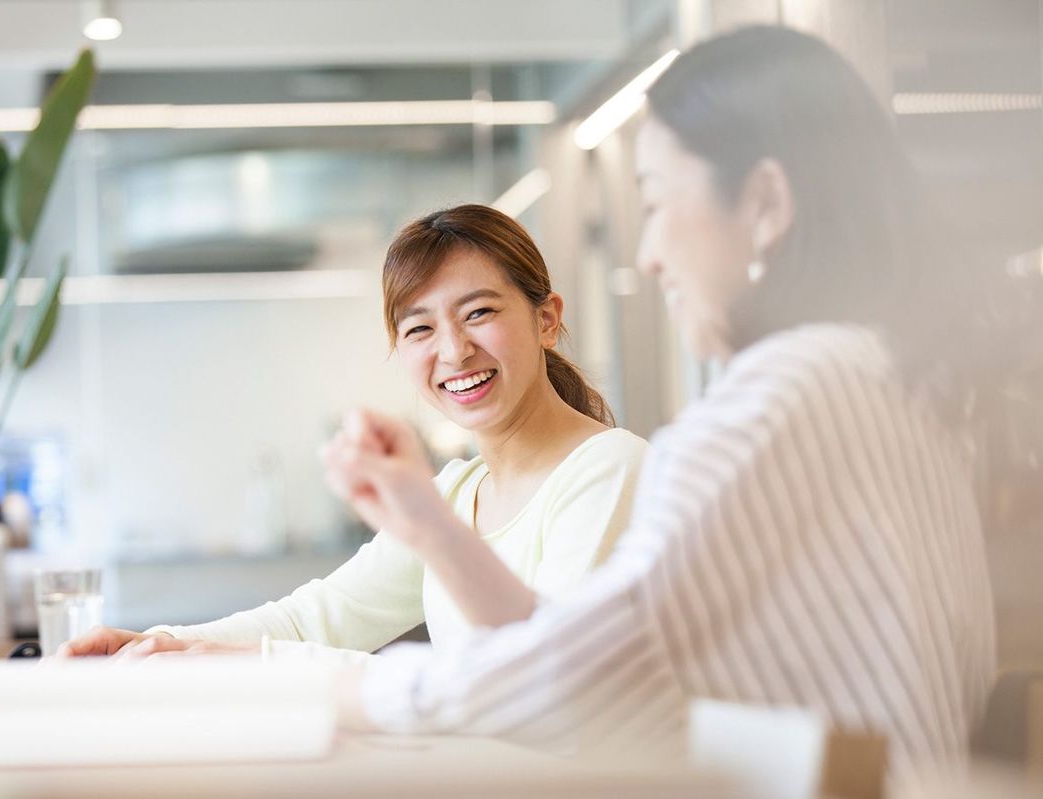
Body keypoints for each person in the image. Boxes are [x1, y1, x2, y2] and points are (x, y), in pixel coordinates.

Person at [322, 26, 999, 778]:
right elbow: (591, 660)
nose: (648, 254)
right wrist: (429, 523)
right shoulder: (884, 371)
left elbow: (565, 685)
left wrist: (344, 693)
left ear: (766, 203)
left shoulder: (781, 396)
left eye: (656, 202)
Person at [61, 205, 649, 662]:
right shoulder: (454, 493)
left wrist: (260, 665)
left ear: (546, 319)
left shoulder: (608, 469)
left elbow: (543, 678)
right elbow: (318, 617)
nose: (453, 350)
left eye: (479, 313)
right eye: (419, 328)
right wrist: (157, 643)